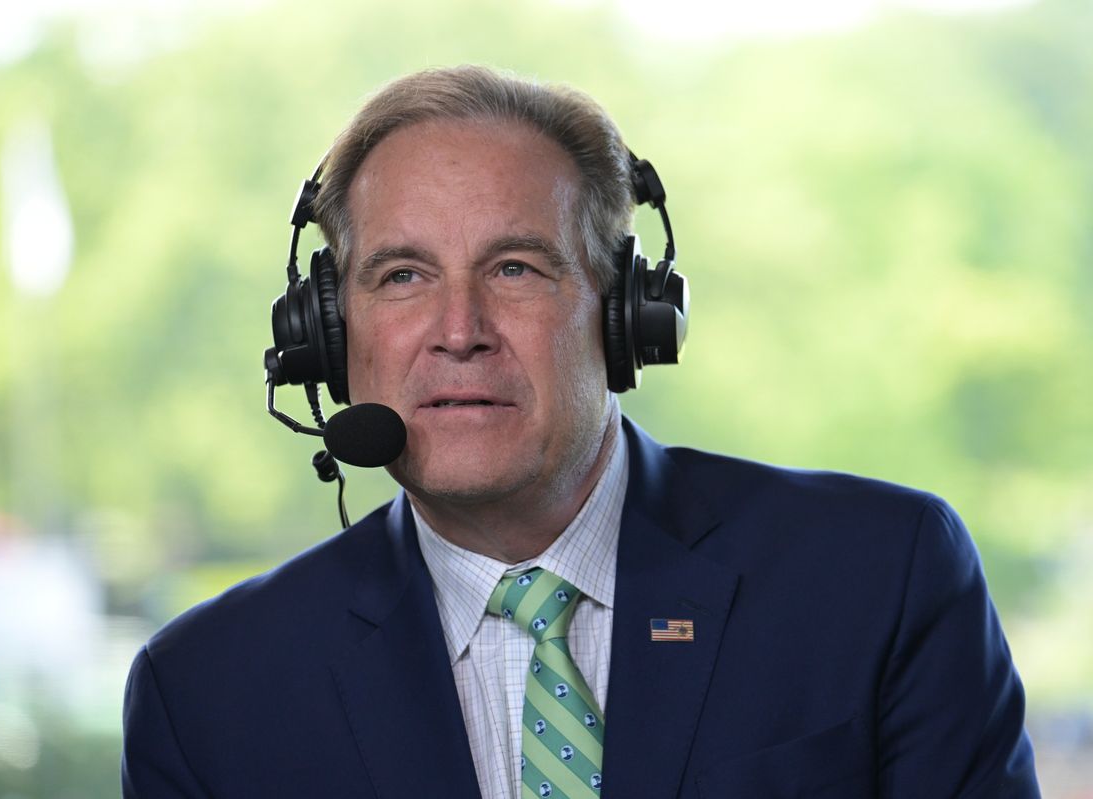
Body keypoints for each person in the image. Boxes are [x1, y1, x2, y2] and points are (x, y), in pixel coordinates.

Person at [121, 65, 1040, 798]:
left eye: (516, 268)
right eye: (402, 276)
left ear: (625, 316)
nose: (459, 328)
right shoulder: (206, 692)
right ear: (327, 333)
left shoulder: (883, 578)